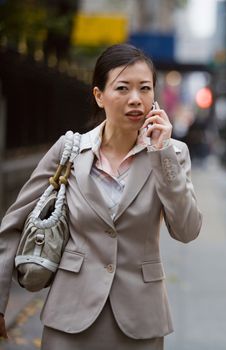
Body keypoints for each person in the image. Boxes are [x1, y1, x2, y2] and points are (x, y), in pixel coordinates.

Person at [0, 43, 202, 349]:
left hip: (140, 319)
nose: (136, 99)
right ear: (99, 95)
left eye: (144, 88)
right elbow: (13, 224)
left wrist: (162, 154)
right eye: (123, 88)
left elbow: (187, 229)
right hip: (69, 317)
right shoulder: (69, 151)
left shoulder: (172, 155)